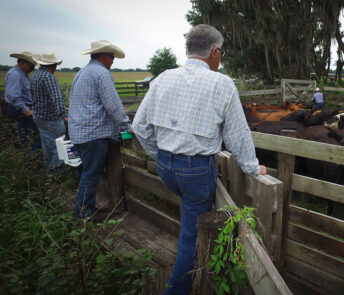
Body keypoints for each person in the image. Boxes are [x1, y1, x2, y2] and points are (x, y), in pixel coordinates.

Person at [132, 24, 267, 294]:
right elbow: (238, 136)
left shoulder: (162, 78)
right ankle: (178, 289)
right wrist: (254, 168)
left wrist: (160, 156)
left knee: (189, 214)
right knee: (191, 235)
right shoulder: (223, 83)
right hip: (195, 172)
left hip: (166, 167)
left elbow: (139, 126)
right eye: (222, 53)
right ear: (215, 52)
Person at [68, 40, 131, 219]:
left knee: (85, 171)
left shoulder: (82, 72)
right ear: (104, 56)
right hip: (93, 133)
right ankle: (83, 214)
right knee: (91, 175)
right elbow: (113, 105)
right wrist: (127, 125)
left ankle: (83, 209)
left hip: (79, 132)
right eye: (111, 58)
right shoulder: (101, 74)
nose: (113, 62)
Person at [30, 53, 68, 177]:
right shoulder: (48, 77)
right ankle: (55, 175)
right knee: (58, 146)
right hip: (51, 119)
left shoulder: (35, 76)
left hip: (39, 117)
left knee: (47, 145)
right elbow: (57, 99)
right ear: (53, 65)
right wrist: (65, 116)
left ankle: (48, 171)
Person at [5, 51, 41, 153]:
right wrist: (25, 110)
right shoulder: (15, 75)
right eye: (31, 67)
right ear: (21, 63)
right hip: (22, 109)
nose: (32, 70)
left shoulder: (21, 74)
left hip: (24, 108)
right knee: (28, 136)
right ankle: (30, 160)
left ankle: (32, 158)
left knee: (31, 133)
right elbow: (13, 96)